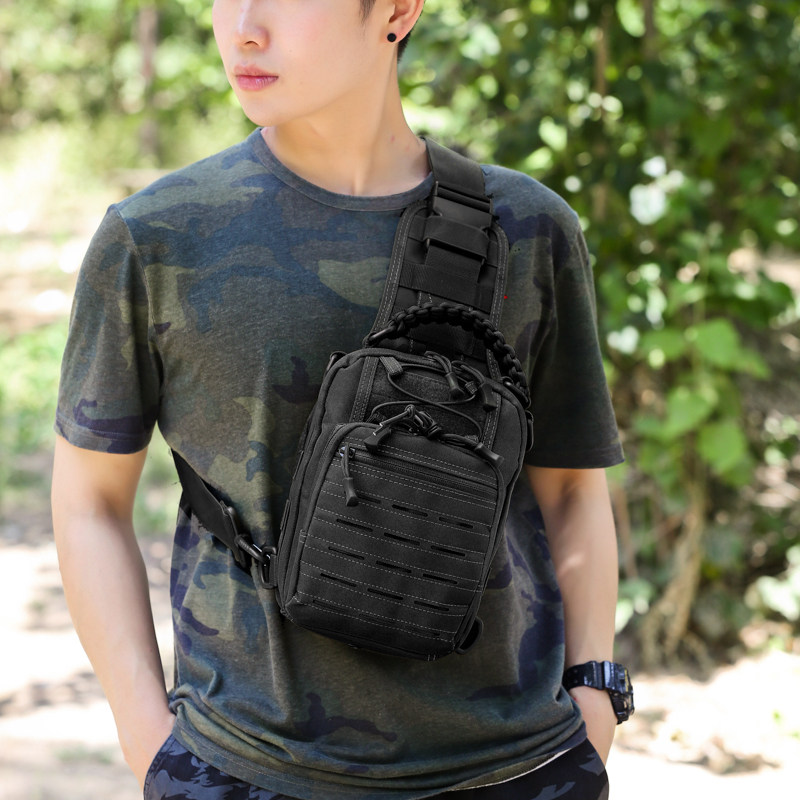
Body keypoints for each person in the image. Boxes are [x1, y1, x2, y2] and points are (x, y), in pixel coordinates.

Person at [51, 1, 629, 798]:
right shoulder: (157, 237)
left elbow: (569, 488)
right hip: (245, 762)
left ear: (396, 10)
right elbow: (89, 499)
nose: (243, 26)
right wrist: (147, 738)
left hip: (519, 764)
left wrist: (595, 696)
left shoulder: (528, 228)